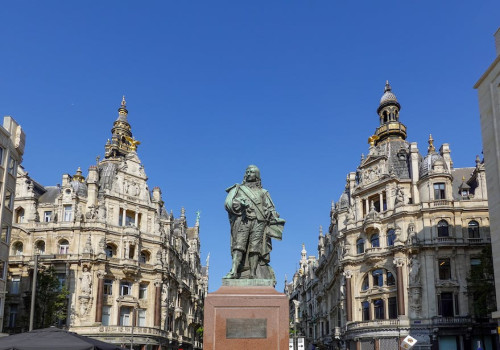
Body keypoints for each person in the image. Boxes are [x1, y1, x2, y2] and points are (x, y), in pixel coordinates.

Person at [224, 165, 285, 280]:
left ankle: (253, 273)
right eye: (247, 172)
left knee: (255, 247)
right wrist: (239, 203)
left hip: (259, 222)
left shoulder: (264, 192)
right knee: (238, 245)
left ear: (257, 176)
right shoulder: (238, 189)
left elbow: (271, 208)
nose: (248, 174)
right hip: (243, 220)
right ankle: (234, 271)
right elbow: (228, 204)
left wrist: (272, 214)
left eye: (251, 172)